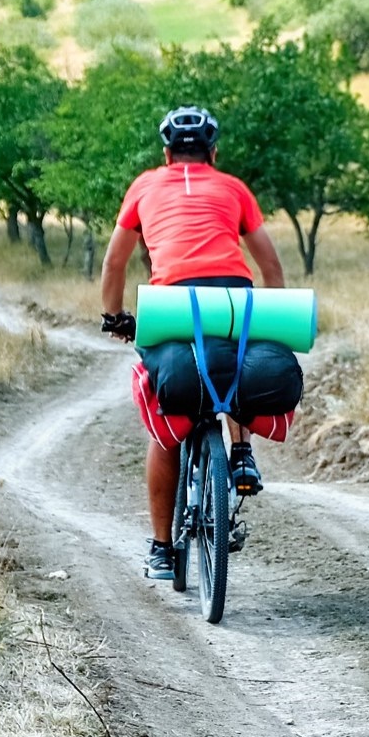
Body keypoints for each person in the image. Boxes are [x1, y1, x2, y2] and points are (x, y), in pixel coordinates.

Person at [100, 106, 286, 581]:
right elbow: (270, 264)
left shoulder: (144, 185)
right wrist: (271, 317)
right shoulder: (234, 187)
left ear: (166, 154)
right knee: (237, 362)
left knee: (168, 423)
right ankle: (241, 454)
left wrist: (115, 316)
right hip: (232, 296)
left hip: (172, 304)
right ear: (214, 152)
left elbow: (115, 262)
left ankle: (162, 549)